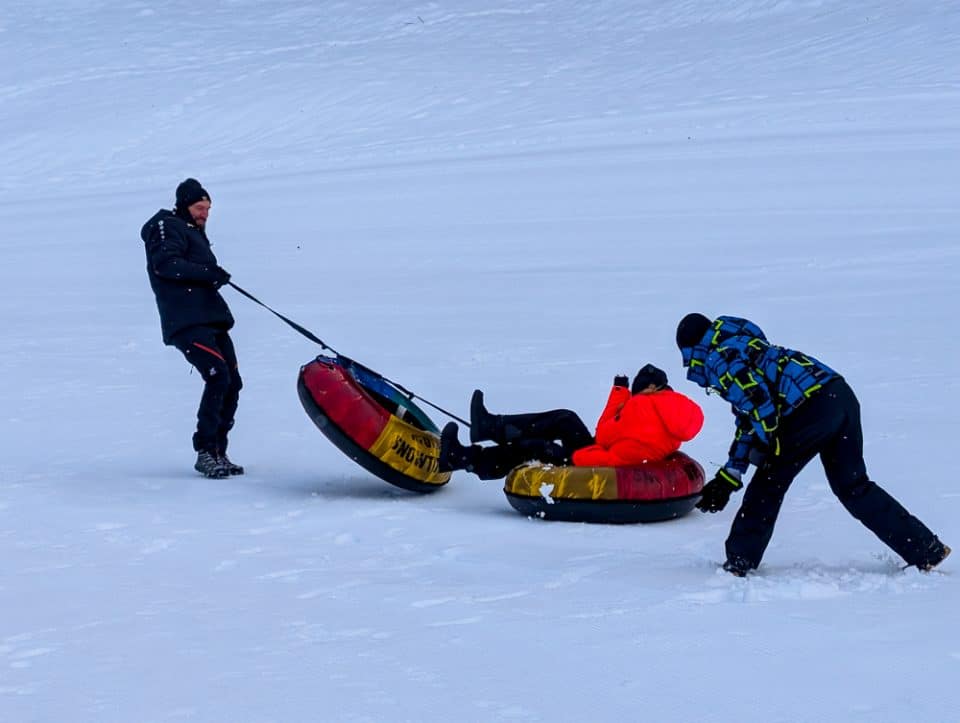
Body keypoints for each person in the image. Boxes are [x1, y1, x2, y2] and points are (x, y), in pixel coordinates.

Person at [675, 312, 950, 576]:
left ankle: (739, 562)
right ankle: (924, 549)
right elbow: (751, 413)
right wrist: (731, 474)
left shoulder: (716, 357)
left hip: (808, 409)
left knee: (768, 484)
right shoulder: (743, 344)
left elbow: (758, 405)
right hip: (837, 394)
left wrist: (769, 446)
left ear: (692, 350)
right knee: (854, 486)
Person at [140, 179, 243, 479]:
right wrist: (208, 272)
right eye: (200, 207)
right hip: (186, 320)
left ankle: (217, 451)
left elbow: (192, 269)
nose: (205, 214)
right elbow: (166, 264)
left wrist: (211, 276)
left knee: (232, 381)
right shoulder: (166, 226)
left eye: (208, 209)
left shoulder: (193, 232)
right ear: (185, 204)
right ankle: (204, 450)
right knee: (217, 375)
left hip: (210, 317)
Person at [439, 364, 704, 480]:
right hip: (610, 454)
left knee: (537, 446)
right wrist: (622, 395)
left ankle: (464, 458)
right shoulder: (666, 409)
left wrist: (626, 398)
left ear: (651, 387)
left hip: (606, 464)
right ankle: (490, 427)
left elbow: (606, 435)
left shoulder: (650, 403)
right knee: (566, 419)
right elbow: (610, 435)